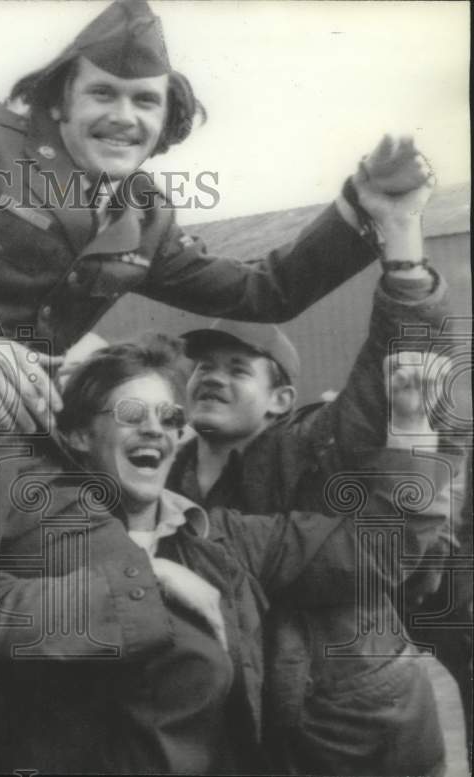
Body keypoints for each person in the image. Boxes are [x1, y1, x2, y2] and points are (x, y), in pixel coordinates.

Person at [0, 0, 433, 574]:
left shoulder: (145, 214)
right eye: (104, 94)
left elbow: (266, 292)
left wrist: (361, 207)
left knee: (138, 603)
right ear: (61, 99)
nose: (125, 116)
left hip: (0, 469)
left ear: (166, 118)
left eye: (145, 100)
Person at [0, 338, 451, 774]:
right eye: (131, 414)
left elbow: (374, 549)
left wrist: (410, 423)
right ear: (80, 435)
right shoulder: (34, 535)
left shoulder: (218, 539)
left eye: (168, 419)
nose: (154, 431)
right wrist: (148, 576)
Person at [168, 177, 464, 775]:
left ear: (279, 399)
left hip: (356, 728)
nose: (211, 377)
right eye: (202, 366)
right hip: (247, 729)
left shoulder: (313, 445)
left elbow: (395, 367)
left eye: (235, 368)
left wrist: (402, 246)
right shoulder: (169, 476)